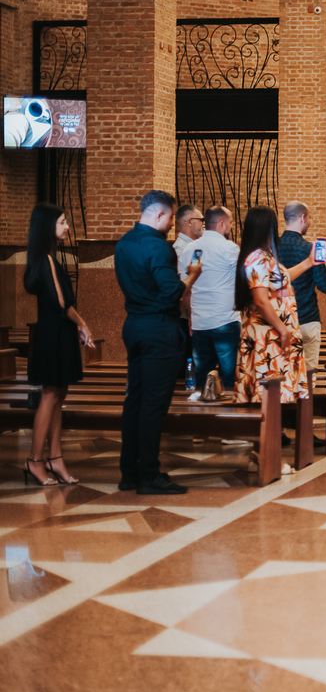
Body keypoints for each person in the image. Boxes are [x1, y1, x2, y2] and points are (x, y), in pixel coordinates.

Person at [115, 190, 202, 496]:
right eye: (169, 219)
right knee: (153, 406)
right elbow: (171, 293)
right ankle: (149, 475)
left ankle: (129, 473)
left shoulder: (124, 243)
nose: (170, 227)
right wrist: (191, 276)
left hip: (134, 325)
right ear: (162, 215)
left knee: (135, 401)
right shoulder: (159, 248)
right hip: (159, 329)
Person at [22, 204, 95, 486]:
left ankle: (55, 458)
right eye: (63, 222)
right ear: (48, 226)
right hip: (53, 334)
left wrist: (77, 325)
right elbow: (62, 303)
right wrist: (83, 323)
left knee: (58, 397)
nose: (66, 227)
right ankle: (34, 460)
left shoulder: (46, 257)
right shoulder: (47, 260)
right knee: (50, 396)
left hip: (56, 334)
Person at [234, 206, 315, 410]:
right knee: (269, 381)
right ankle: (268, 430)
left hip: (273, 331)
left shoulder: (266, 255)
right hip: (267, 334)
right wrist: (282, 329)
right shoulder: (257, 258)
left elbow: (283, 279)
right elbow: (260, 299)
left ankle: (276, 428)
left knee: (277, 381)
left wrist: (309, 262)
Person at [177, 206, 241, 392]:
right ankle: (229, 417)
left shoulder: (189, 249)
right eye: (229, 222)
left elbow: (186, 289)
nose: (230, 226)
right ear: (221, 223)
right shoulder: (230, 248)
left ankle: (200, 417)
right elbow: (242, 281)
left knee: (201, 378)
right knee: (229, 376)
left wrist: (190, 316)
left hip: (199, 323)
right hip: (225, 321)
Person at [278, 201, 326, 374]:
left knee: (283, 374)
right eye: (310, 217)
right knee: (308, 375)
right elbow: (325, 285)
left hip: (280, 320)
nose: (310, 222)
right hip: (307, 318)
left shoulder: (271, 248)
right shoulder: (310, 249)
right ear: (303, 217)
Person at [172, 203, 203, 377]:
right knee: (188, 366)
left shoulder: (195, 247)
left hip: (193, 313)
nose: (203, 224)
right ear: (190, 221)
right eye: (200, 220)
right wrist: (191, 314)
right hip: (186, 316)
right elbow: (184, 286)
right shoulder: (182, 250)